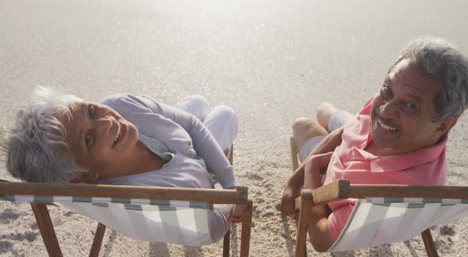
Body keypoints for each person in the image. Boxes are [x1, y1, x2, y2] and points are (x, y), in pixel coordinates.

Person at [279, 36, 468, 252]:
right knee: (327, 112)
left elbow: (322, 240)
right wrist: (294, 180)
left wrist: (311, 168)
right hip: (363, 136)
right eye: (387, 89)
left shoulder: (387, 198)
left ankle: (329, 115)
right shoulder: (395, 108)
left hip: (327, 177)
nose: (385, 109)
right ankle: (329, 113)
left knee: (301, 125)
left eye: (410, 105)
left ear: (443, 125)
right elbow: (347, 131)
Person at [0, 87, 239, 243]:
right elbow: (214, 227)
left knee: (196, 102)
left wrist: (229, 181)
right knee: (225, 114)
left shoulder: (122, 106)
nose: (108, 121)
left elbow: (191, 123)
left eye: (91, 110)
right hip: (204, 179)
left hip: (181, 145)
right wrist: (227, 194)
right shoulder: (147, 200)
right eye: (88, 139)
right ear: (83, 175)